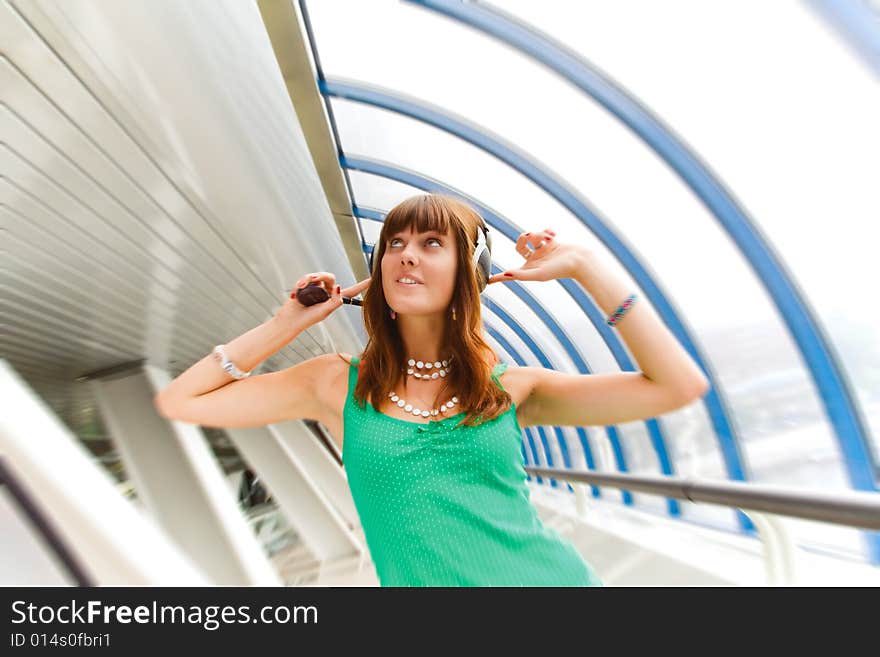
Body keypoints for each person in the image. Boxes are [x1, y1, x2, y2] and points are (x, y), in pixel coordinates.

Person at [154, 193, 709, 586]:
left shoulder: (511, 388)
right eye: (394, 242)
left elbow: (676, 386)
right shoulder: (332, 382)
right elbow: (181, 401)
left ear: (471, 269)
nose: (406, 254)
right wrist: (287, 324)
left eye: (431, 242)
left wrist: (588, 268)